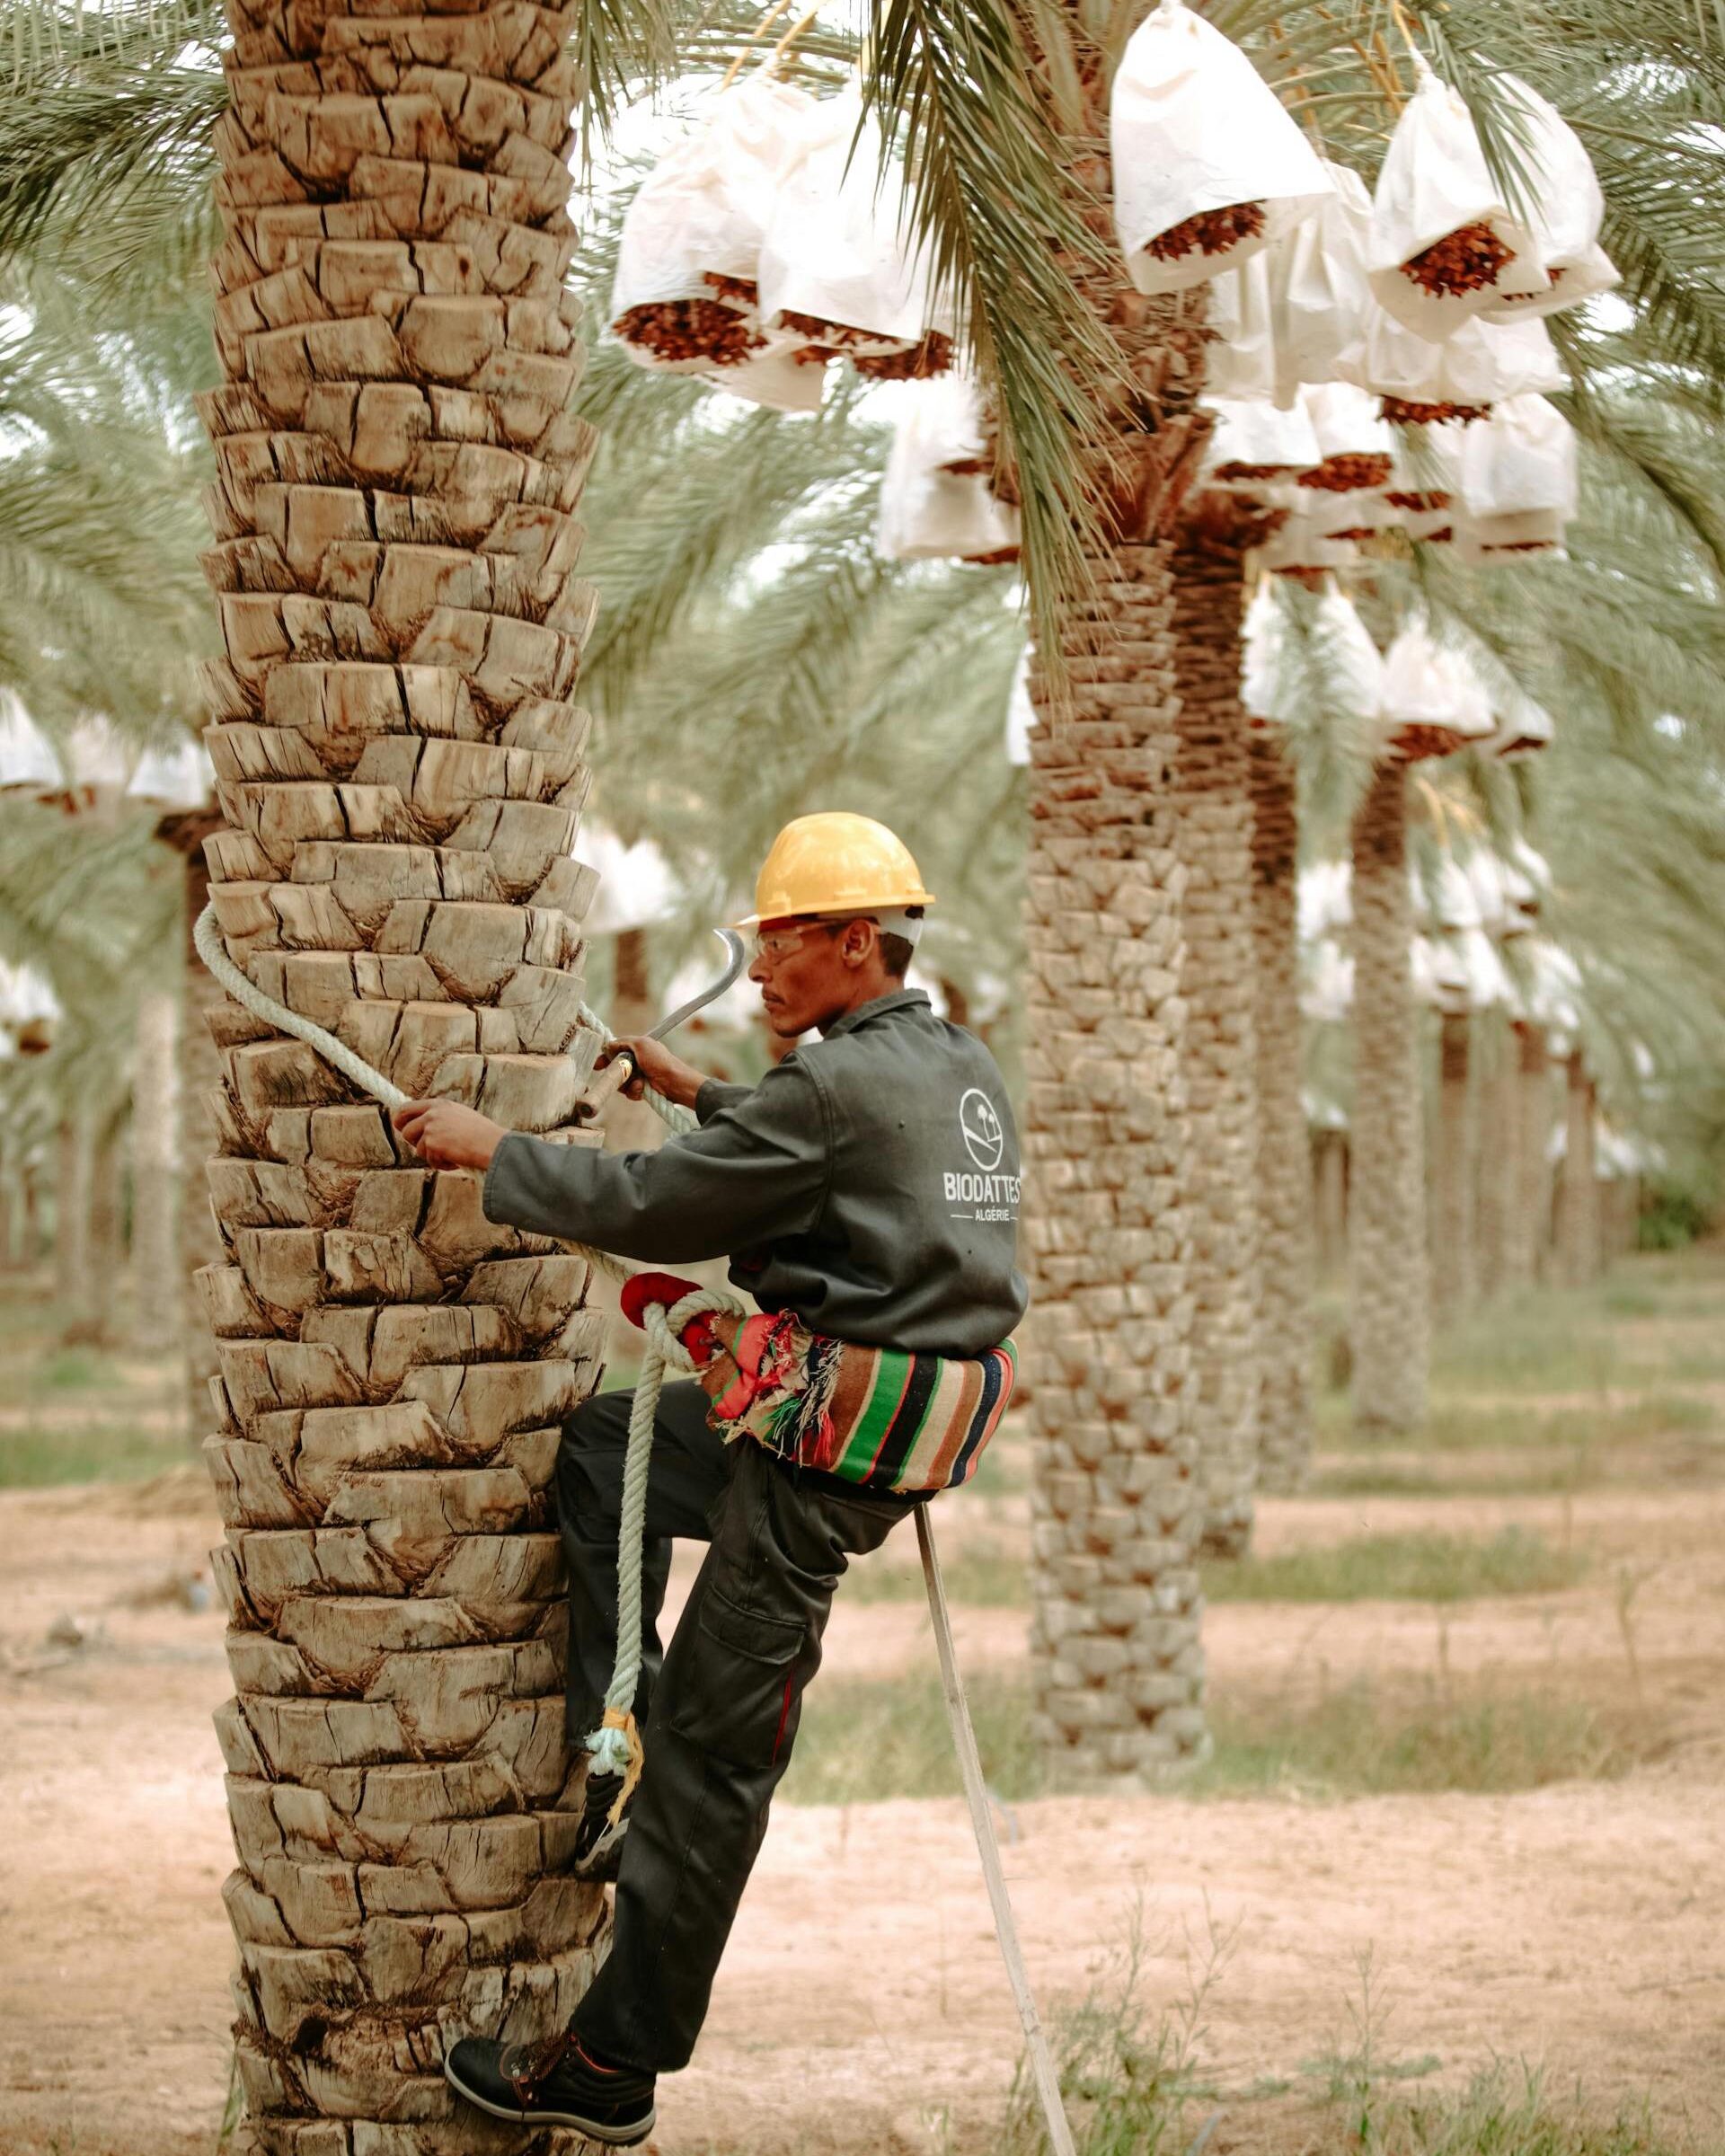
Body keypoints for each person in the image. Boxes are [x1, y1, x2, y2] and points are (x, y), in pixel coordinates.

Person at [390, 812, 1027, 2146]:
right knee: (608, 1451)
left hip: (823, 1460)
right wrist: (696, 1095)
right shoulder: (950, 1064)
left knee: (720, 1755)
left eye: (783, 946)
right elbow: (847, 1152)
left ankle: (609, 2073)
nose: (760, 972)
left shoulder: (837, 1085)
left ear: (860, 944)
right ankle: (609, 1746)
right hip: (839, 1414)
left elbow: (658, 1209)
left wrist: (490, 1153)